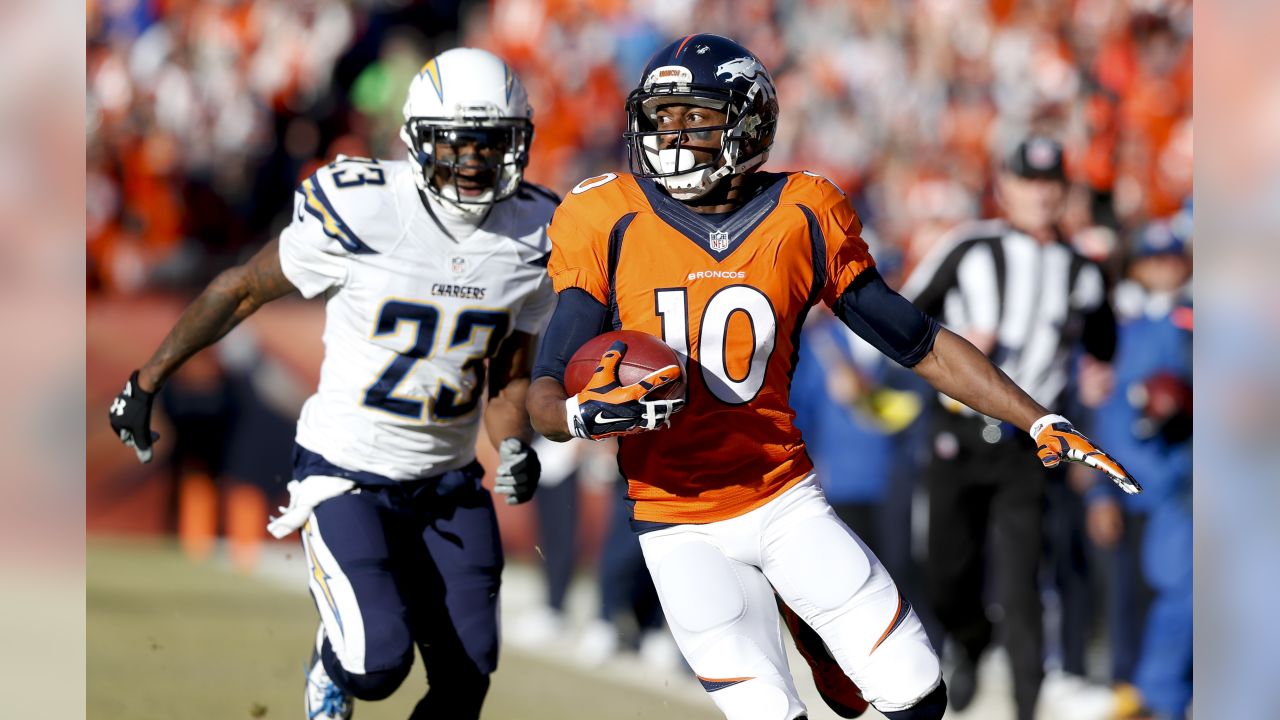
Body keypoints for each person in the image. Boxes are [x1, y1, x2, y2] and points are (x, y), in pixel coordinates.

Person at [524, 34, 1139, 720]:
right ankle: (800, 617)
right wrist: (580, 416)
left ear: (747, 123)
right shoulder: (606, 214)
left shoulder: (805, 211)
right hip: (676, 518)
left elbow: (920, 342)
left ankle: (808, 619)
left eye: (692, 119)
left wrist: (1040, 419)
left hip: (784, 496)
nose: (669, 137)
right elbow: (546, 386)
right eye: (660, 117)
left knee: (916, 694)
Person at [107, 48, 557, 720]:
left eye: (490, 144)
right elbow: (240, 291)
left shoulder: (535, 232)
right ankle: (329, 669)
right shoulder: (366, 207)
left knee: (467, 683)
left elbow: (509, 378)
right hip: (347, 470)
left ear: (516, 143)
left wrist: (515, 443)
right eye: (456, 143)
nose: (471, 162)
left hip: (448, 480)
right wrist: (146, 381)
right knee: (376, 667)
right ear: (416, 139)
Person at [899, 136, 1121, 720]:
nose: (1040, 194)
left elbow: (1103, 344)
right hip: (959, 433)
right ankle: (970, 641)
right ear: (1006, 186)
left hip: (1030, 442)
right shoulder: (970, 246)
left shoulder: (1082, 268)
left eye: (1051, 183)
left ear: (1064, 191)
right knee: (946, 569)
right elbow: (901, 317)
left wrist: (1098, 377)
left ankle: (1026, 705)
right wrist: (958, 344)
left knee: (1023, 583)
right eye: (1029, 181)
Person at [1091, 216, 1193, 719]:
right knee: (1131, 597)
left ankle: (1160, 694)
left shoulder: (1198, 321)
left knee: (1182, 594)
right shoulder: (1120, 331)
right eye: (1151, 260)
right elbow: (1102, 415)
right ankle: (1139, 689)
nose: (1161, 269)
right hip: (1130, 483)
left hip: (1183, 486)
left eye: (1170, 258)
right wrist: (1098, 491)